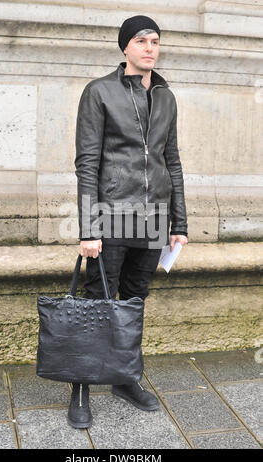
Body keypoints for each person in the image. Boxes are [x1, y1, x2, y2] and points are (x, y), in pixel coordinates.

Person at [69, 15, 188, 429]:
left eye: (155, 41)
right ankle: (81, 387)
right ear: (125, 47)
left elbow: (171, 162)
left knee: (135, 301)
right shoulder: (99, 92)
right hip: (111, 213)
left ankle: (124, 378)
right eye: (141, 40)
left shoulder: (166, 97)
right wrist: (88, 228)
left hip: (154, 216)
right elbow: (87, 163)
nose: (150, 47)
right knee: (97, 303)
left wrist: (180, 223)